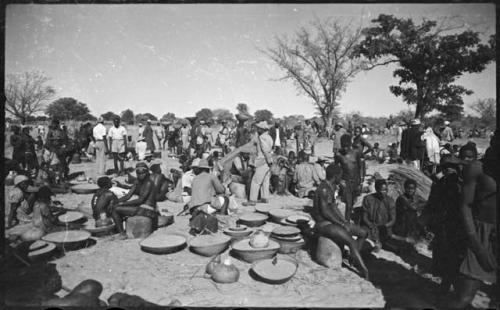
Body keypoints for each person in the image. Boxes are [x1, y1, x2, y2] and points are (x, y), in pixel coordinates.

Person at [444, 133, 497, 308]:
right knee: (464, 297)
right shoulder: (477, 168)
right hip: (481, 233)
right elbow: (465, 205)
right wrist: (476, 244)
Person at [308, 164, 369, 279]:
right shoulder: (324, 189)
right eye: (340, 176)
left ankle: (353, 257)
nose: (341, 178)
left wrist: (344, 221)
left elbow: (334, 207)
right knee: (351, 242)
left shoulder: (331, 187)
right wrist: (340, 224)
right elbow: (325, 212)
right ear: (335, 176)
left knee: (363, 233)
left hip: (331, 221)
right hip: (323, 224)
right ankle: (364, 270)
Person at [111, 162, 158, 239]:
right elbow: (128, 195)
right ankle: (119, 228)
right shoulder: (137, 182)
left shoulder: (148, 183)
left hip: (148, 210)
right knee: (115, 206)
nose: (141, 174)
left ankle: (122, 233)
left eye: (143, 172)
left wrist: (122, 204)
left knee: (115, 210)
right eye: (138, 173)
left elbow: (140, 200)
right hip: (141, 207)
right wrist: (116, 201)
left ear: (147, 172)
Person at [187, 159, 227, 234]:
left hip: (193, 209)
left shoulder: (195, 179)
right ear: (208, 169)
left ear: (199, 169)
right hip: (204, 207)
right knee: (226, 199)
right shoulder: (211, 176)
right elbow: (221, 190)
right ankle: (222, 218)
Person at [361, 179, 396, 251]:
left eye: (386, 190)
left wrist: (384, 226)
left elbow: (393, 220)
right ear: (376, 189)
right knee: (365, 236)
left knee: (389, 239)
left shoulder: (390, 201)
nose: (385, 192)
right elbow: (364, 217)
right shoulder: (368, 199)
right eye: (382, 190)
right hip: (371, 227)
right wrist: (371, 225)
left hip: (384, 227)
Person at [243, 121, 273, 206]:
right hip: (267, 162)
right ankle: (264, 198)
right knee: (265, 181)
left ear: (262, 129)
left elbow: (265, 150)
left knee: (255, 181)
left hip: (263, 161)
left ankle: (252, 200)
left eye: (259, 128)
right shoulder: (269, 137)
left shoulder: (262, 138)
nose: (257, 129)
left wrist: (269, 161)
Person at [334, 134, 362, 222]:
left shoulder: (356, 152)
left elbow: (360, 166)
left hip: (356, 181)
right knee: (348, 204)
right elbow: (336, 169)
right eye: (343, 146)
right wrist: (339, 181)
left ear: (350, 144)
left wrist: (360, 180)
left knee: (353, 202)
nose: (345, 149)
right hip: (346, 181)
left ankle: (349, 219)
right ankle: (347, 222)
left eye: (347, 146)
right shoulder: (338, 155)